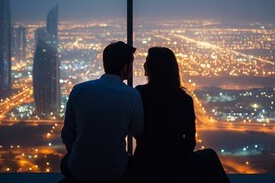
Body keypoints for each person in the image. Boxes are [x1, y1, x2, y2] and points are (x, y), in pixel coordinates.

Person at [134, 47, 230, 183]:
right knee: (210, 157)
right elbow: (190, 140)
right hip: (175, 163)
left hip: (146, 162)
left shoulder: (140, 94)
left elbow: (136, 131)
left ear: (153, 67)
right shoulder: (184, 99)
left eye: (147, 61)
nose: (144, 65)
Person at [60, 41, 144, 183]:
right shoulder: (132, 95)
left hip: (79, 170)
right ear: (125, 67)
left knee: (65, 163)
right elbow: (138, 130)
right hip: (115, 171)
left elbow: (68, 135)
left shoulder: (79, 90)